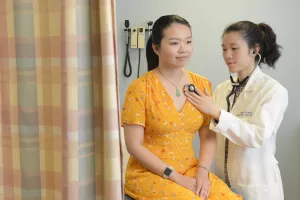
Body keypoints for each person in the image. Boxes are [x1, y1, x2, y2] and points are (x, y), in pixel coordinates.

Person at [121, 14, 242, 200]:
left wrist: (202, 171)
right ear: (156, 47)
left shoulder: (201, 85)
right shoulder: (140, 88)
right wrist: (173, 175)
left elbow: (208, 135)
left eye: (188, 41)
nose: (183, 49)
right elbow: (133, 145)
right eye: (175, 43)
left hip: (190, 169)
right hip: (148, 174)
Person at [184, 21, 288, 200]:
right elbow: (210, 133)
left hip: (256, 188)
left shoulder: (273, 91)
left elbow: (257, 136)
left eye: (234, 48)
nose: (227, 55)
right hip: (223, 185)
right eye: (224, 49)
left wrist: (217, 113)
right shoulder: (222, 89)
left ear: (254, 50)